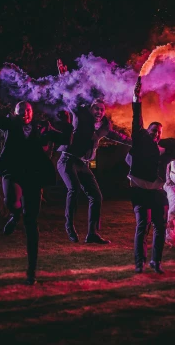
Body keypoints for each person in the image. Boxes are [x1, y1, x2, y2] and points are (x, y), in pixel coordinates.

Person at [56, 59, 132, 244]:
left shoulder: (104, 126)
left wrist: (136, 142)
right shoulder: (81, 114)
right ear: (91, 109)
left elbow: (117, 136)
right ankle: (70, 227)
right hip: (67, 159)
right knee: (73, 189)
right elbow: (69, 98)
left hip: (81, 162)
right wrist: (64, 76)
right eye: (96, 109)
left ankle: (92, 234)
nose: (99, 112)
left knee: (96, 196)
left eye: (102, 110)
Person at [0, 101, 72, 284]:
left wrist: (67, 122)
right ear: (16, 113)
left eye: (28, 110)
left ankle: (31, 271)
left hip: (33, 176)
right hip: (12, 171)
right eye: (21, 110)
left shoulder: (42, 127)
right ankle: (15, 216)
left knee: (31, 222)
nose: (25, 112)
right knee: (11, 202)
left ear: (32, 113)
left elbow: (65, 139)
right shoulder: (10, 124)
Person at [127, 77, 175, 274]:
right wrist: (136, 98)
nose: (156, 134)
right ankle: (140, 263)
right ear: (147, 131)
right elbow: (136, 120)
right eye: (154, 131)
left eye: (159, 132)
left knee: (159, 226)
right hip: (139, 191)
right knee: (142, 226)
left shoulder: (164, 149)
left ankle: (156, 262)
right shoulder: (139, 140)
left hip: (156, 192)